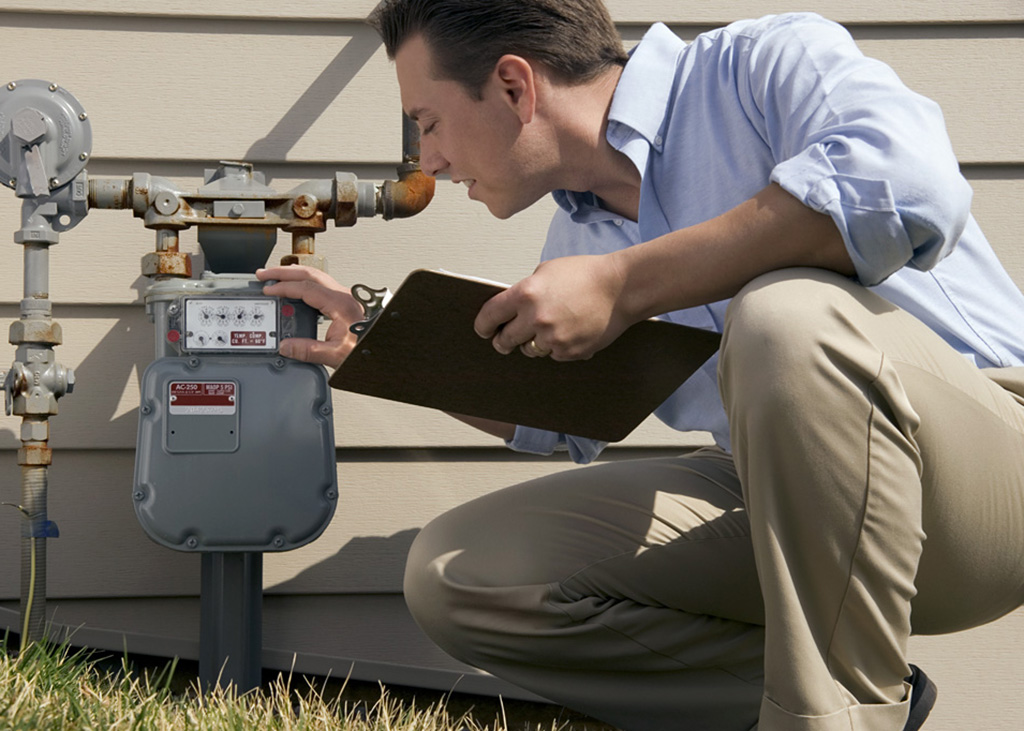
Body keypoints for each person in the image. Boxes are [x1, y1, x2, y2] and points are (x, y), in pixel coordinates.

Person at [257, 1, 1024, 729]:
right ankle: (841, 699)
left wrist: (625, 286)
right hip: (786, 504)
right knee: (460, 575)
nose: (429, 158)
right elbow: (553, 417)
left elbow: (910, 186)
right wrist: (384, 350)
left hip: (985, 469)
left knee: (785, 314)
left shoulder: (761, 66)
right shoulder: (576, 242)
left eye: (427, 123)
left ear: (514, 86)